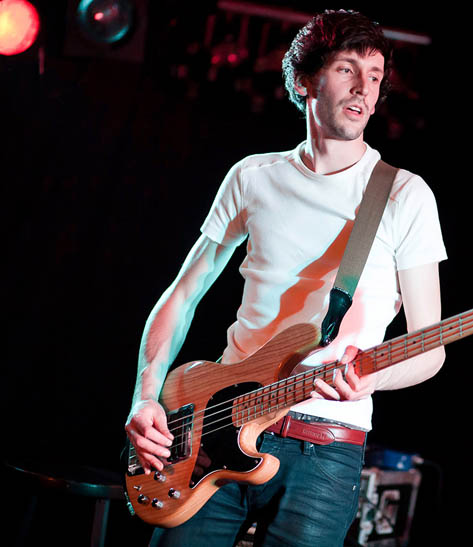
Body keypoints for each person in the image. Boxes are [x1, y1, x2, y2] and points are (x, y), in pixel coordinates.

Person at [124, 9, 447, 546]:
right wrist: (145, 396)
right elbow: (183, 294)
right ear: (304, 79)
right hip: (216, 429)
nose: (364, 87)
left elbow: (430, 347)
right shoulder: (253, 176)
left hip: (325, 452)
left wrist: (373, 376)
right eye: (347, 69)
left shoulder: (403, 194)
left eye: (374, 74)